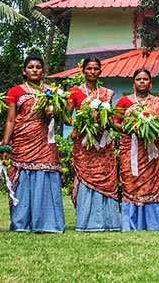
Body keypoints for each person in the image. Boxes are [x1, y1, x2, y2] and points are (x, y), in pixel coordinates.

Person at [0, 55, 66, 234]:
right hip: (23, 141)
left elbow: (59, 115)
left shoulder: (52, 91)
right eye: (30, 67)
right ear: (24, 71)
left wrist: (54, 113)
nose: (34, 70)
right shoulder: (15, 91)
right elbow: (11, 119)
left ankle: (47, 222)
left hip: (45, 141)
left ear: (43, 71)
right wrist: (5, 144)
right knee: (23, 179)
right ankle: (21, 222)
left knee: (45, 174)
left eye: (38, 67)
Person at [63, 57, 120, 232]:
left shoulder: (107, 93)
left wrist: (102, 122)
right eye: (89, 69)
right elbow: (65, 117)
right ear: (83, 71)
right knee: (86, 178)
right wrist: (80, 124)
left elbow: (110, 118)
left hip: (103, 145)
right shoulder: (74, 92)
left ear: (100, 71)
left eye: (96, 69)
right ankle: (86, 221)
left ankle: (108, 221)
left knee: (105, 178)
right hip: (83, 144)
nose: (93, 72)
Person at [114, 68, 159, 231]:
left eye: (145, 79)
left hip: (151, 152)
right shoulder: (124, 101)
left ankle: (155, 224)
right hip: (130, 149)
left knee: (153, 184)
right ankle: (131, 224)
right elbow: (115, 122)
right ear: (134, 84)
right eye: (139, 79)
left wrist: (155, 129)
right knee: (132, 182)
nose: (142, 82)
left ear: (150, 83)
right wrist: (129, 127)